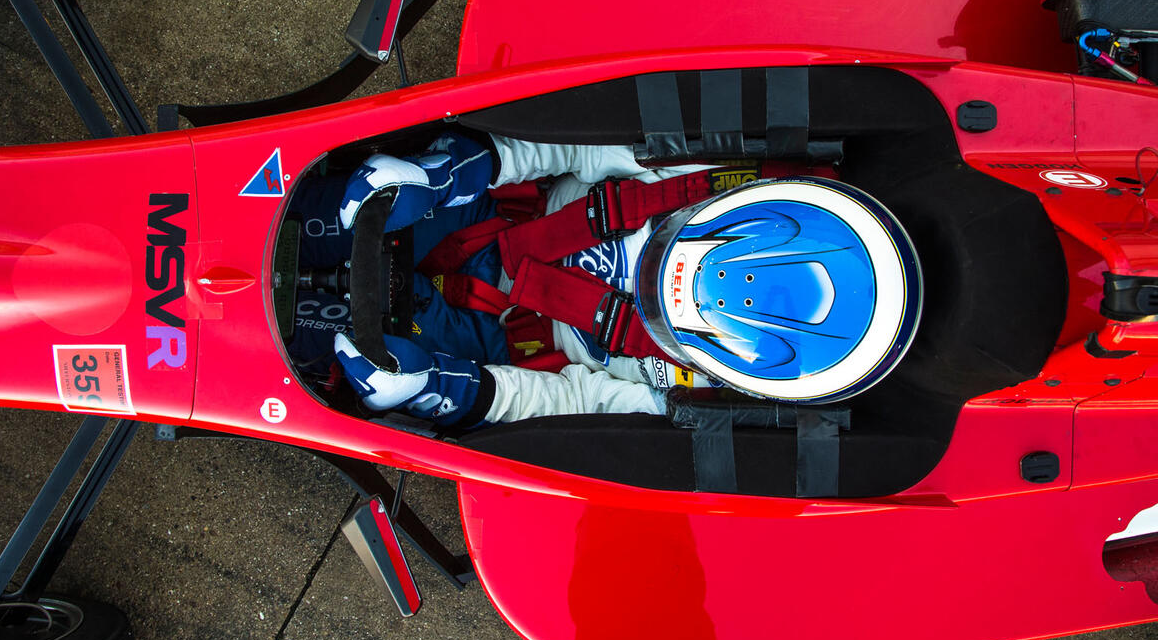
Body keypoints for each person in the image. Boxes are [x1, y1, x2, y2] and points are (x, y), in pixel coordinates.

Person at [314, 133, 922, 429]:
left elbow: (574, 406)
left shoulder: (689, 387)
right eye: (664, 255)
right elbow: (564, 138)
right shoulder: (696, 171)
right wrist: (445, 175)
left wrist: (452, 389)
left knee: (399, 378)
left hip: (510, 347)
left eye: (666, 304)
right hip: (498, 209)